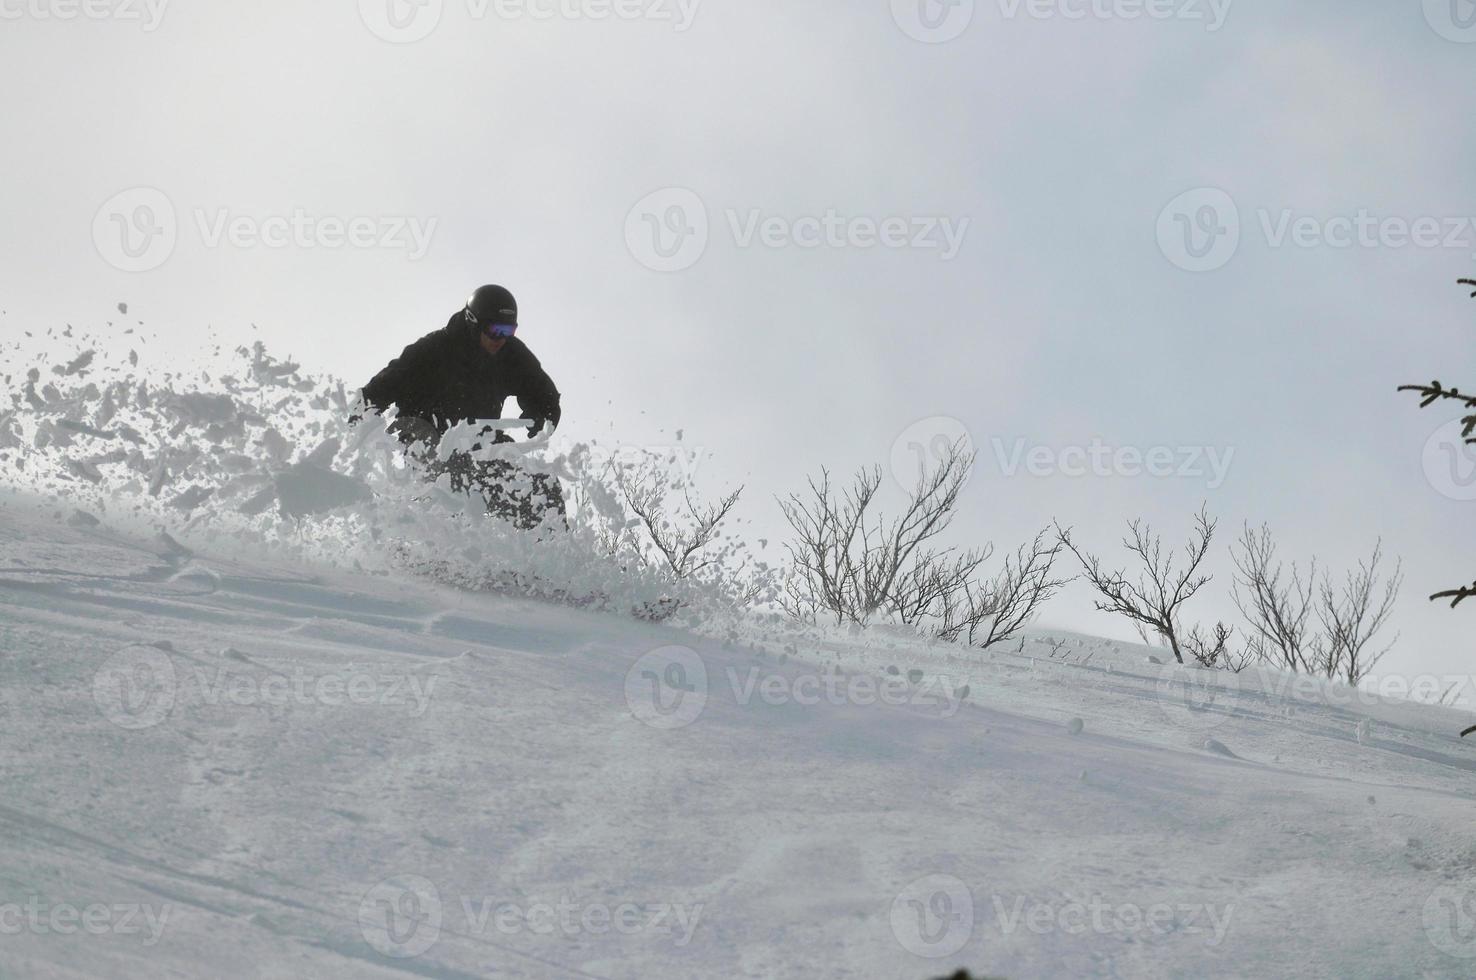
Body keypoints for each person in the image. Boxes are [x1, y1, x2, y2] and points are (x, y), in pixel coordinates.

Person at [359, 285, 565, 527]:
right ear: (473, 322)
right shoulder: (434, 350)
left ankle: (541, 554)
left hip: (478, 438)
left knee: (538, 486)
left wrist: (543, 414)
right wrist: (361, 424)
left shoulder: (510, 354)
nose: (501, 338)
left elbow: (544, 394)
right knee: (451, 476)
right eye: (494, 330)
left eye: (508, 330)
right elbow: (377, 390)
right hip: (426, 432)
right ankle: (427, 542)